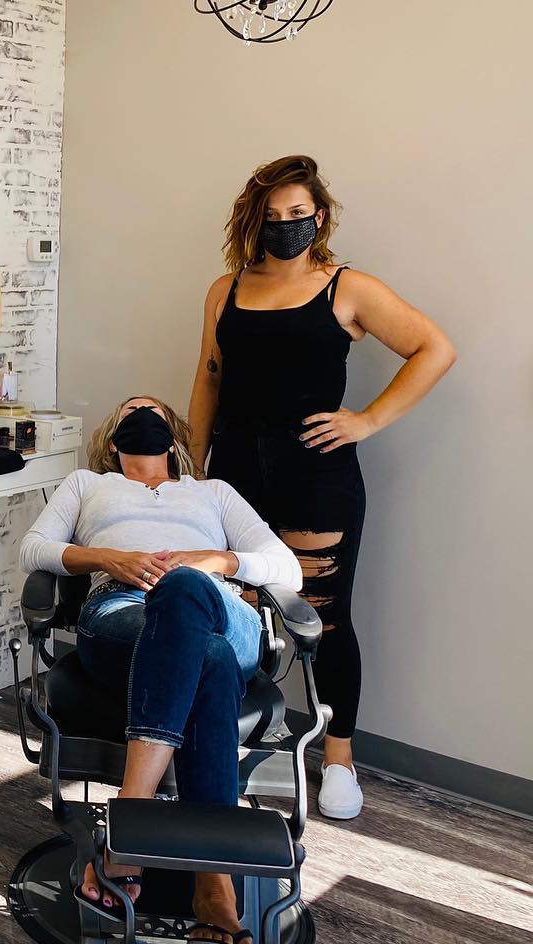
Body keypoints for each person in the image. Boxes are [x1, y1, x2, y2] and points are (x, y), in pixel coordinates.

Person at [187, 156, 455, 821]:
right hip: (234, 477)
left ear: (320, 216)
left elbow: (434, 349)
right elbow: (209, 379)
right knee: (233, 616)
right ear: (254, 221)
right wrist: (192, 471)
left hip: (317, 476)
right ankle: (233, 745)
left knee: (323, 621)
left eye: (297, 216)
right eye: (271, 218)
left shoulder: (347, 288)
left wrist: (367, 420)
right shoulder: (226, 290)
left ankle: (339, 762)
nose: (285, 227)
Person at [21, 395, 300, 944]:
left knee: (185, 592)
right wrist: (108, 559)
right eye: (129, 410)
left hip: (220, 605)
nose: (140, 413)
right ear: (114, 437)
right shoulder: (86, 484)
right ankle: (214, 887)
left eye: (152, 409)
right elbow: (33, 549)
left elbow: (285, 566)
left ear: (173, 436)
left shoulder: (213, 492)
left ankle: (129, 829)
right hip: (123, 614)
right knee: (213, 660)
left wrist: (214, 562)